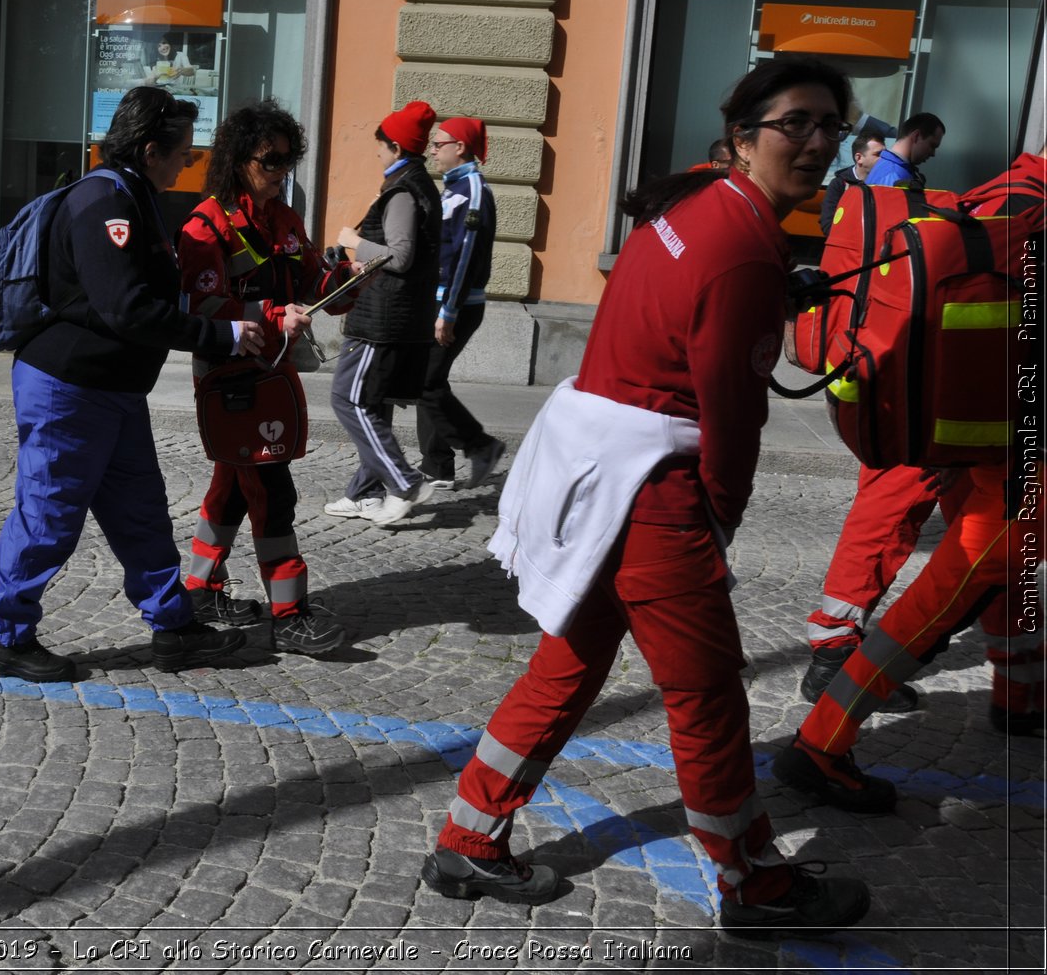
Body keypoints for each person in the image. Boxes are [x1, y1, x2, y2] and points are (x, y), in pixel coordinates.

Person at [421, 58, 870, 936]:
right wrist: (721, 516)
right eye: (798, 124)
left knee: (568, 663)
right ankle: (750, 880)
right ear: (745, 135)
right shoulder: (742, 245)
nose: (819, 143)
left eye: (831, 126)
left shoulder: (702, 201)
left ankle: (470, 832)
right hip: (652, 491)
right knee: (707, 694)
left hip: (605, 465)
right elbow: (734, 415)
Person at [774, 147, 1047, 811]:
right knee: (945, 594)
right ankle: (821, 741)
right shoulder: (1031, 204)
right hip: (1011, 451)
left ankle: (1017, 695)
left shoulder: (1015, 185)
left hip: (993, 435)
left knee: (995, 568)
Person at [0, 87, 265, 683]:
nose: (189, 163)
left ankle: (174, 629)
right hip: (69, 385)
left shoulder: (131, 194)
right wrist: (225, 335)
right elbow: (126, 309)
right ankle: (8, 638)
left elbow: (147, 299)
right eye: (183, 153)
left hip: (113, 388)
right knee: (49, 513)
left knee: (140, 512)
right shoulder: (103, 201)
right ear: (148, 149)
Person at [177, 99, 357, 656]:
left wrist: (350, 277)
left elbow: (312, 279)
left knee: (232, 486)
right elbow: (201, 308)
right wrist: (275, 316)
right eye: (269, 161)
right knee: (272, 492)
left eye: (287, 162)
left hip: (272, 374)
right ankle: (289, 613)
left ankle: (200, 589)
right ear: (237, 159)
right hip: (233, 379)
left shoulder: (283, 220)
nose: (280, 173)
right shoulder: (205, 225)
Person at [797, 119, 949, 712]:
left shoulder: (1008, 203)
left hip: (900, 378)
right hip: (924, 392)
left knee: (994, 536)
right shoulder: (1021, 211)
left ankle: (1017, 682)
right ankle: (835, 663)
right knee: (893, 515)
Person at [323, 100, 442, 527]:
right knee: (374, 402)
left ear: (395, 146)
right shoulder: (413, 185)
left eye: (380, 145)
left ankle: (404, 483)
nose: (376, 153)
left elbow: (402, 256)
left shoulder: (405, 191)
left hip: (383, 318)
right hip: (395, 316)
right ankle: (364, 493)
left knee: (349, 398)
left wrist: (353, 241)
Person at [417, 116, 505, 490]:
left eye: (439, 143)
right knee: (427, 380)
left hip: (457, 304)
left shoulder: (471, 188)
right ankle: (437, 465)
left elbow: (466, 255)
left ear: (461, 148)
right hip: (440, 300)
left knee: (426, 382)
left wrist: (448, 312)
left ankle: (480, 447)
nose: (433, 150)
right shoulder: (452, 187)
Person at [816, 131, 885, 236]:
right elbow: (828, 225)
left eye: (885, 154)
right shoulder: (839, 185)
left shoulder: (886, 184)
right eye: (878, 154)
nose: (884, 159)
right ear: (859, 158)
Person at [863, 112, 943, 189]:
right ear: (916, 136)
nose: (933, 154)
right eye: (932, 145)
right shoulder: (893, 176)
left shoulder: (891, 168)